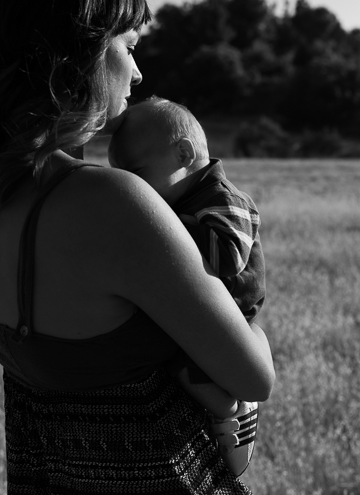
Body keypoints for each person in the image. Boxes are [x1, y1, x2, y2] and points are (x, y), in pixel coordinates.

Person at [0, 0, 274, 493]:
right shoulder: (115, 203)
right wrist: (249, 321)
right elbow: (253, 378)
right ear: (79, 54)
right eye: (129, 48)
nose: (136, 74)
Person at [108, 97, 266, 475]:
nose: (133, 187)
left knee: (181, 364)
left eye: (137, 172)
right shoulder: (188, 200)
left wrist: (163, 228)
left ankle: (232, 412)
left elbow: (228, 257)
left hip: (229, 308)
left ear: (183, 153)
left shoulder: (224, 198)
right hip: (202, 303)